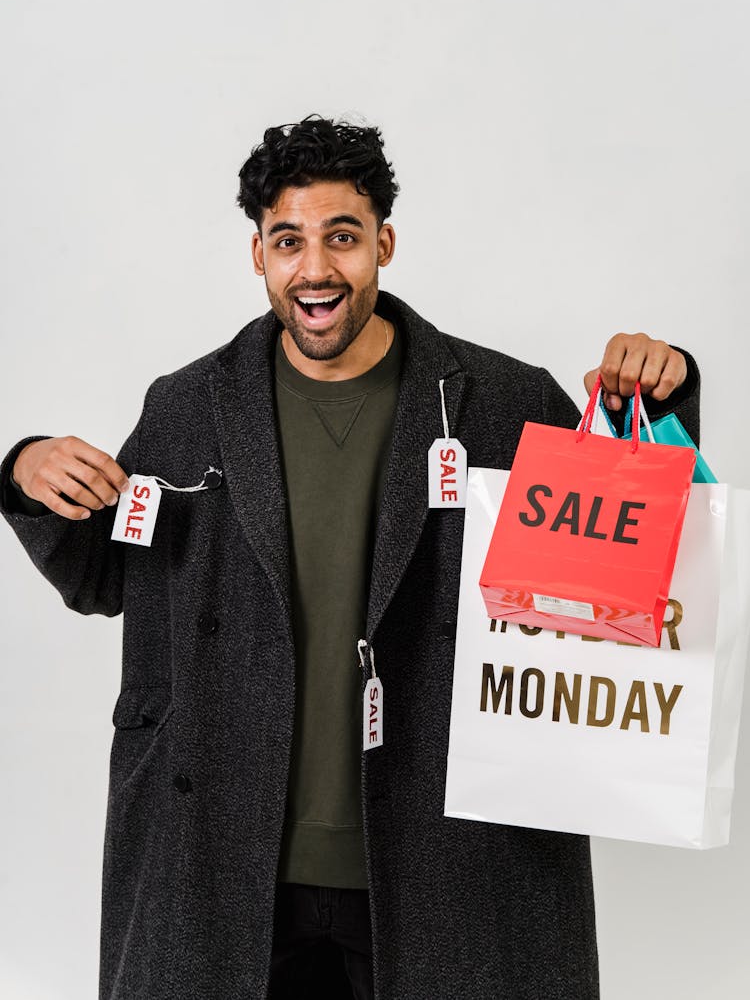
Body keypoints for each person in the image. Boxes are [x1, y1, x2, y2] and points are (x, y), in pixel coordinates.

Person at [1, 116, 699, 1000]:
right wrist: (24, 471)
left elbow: (629, 560)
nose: (317, 269)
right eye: (289, 240)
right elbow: (104, 577)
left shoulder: (503, 402)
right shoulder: (186, 407)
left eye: (343, 236)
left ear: (384, 244)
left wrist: (661, 393)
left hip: (446, 858)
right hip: (225, 853)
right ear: (258, 254)